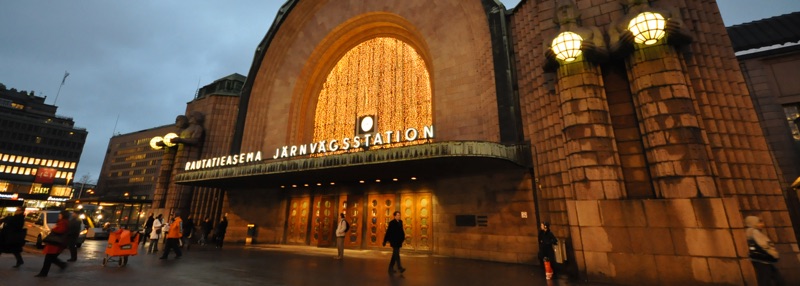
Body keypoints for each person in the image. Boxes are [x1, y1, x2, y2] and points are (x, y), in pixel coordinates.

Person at [745, 215, 783, 285]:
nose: (762, 224)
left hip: (761, 259)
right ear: (753, 223)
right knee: (767, 278)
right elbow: (764, 245)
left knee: (772, 277)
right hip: (763, 259)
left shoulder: (749, 231)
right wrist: (773, 253)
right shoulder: (755, 232)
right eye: (759, 223)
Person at [36, 210, 70, 277]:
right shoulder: (64, 222)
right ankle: (62, 265)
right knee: (51, 258)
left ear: (63, 216)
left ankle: (44, 273)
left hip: (55, 243)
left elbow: (61, 230)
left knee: (49, 258)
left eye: (60, 215)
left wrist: (54, 228)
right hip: (57, 243)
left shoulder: (63, 222)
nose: (59, 216)